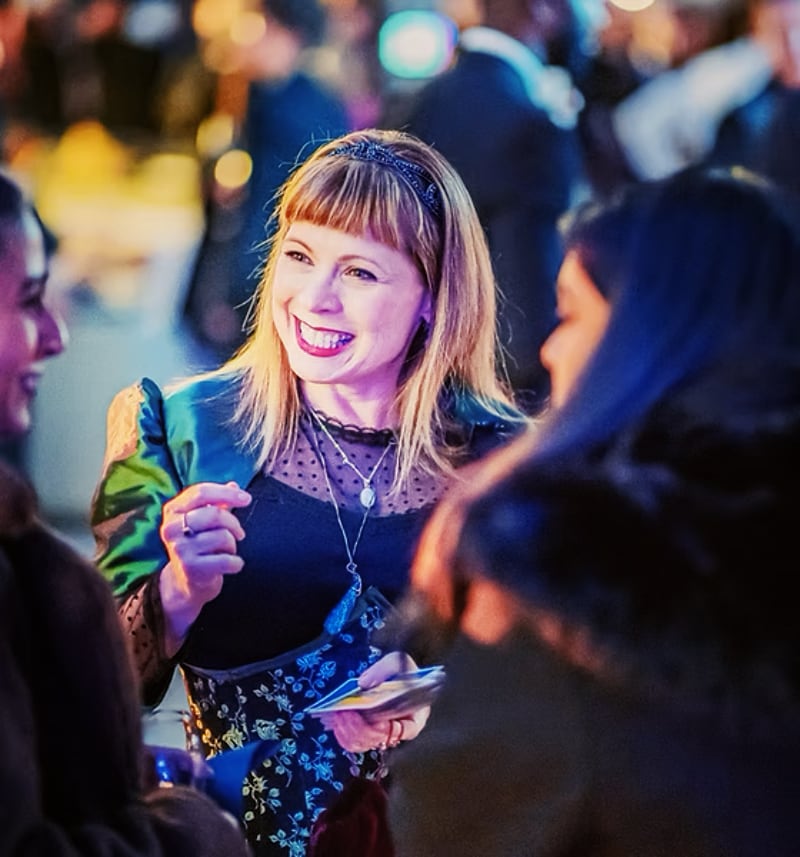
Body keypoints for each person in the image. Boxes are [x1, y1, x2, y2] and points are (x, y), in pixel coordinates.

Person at [90, 127, 526, 855]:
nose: (314, 298)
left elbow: (568, 685)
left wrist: (444, 693)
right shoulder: (178, 426)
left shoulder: (505, 457)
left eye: (359, 272)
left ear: (432, 297)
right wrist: (174, 594)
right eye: (299, 256)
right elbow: (90, 685)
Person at [385, 166, 800, 856]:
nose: (548, 348)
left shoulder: (567, 580)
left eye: (572, 314)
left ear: (649, 344)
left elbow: (454, 825)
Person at [0, 169, 250, 855]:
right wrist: (192, 831)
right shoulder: (178, 426)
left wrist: (137, 775)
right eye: (27, 301)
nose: (54, 334)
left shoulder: (478, 442)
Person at [395, 0, 588, 410]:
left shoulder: (428, 98)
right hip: (499, 374)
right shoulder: (529, 118)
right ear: (541, 11)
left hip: (418, 352)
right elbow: (528, 268)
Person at [184, 0, 350, 362]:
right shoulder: (251, 93)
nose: (244, 39)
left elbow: (277, 213)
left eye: (257, 26)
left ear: (287, 36)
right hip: (240, 285)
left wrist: (233, 295)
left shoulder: (305, 114)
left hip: (260, 290)